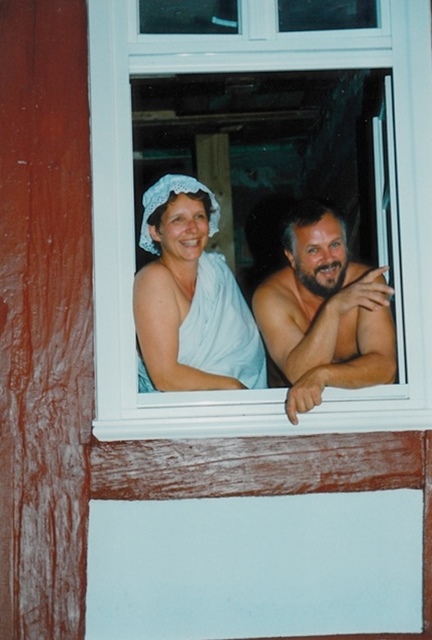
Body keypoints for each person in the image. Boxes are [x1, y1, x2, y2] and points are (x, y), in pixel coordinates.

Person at [252, 198, 397, 424]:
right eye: (313, 250)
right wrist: (333, 308)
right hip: (294, 417)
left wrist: (324, 375)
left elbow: (386, 369)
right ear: (292, 257)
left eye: (335, 245)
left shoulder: (367, 282)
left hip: (362, 409)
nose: (328, 259)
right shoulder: (271, 296)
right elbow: (300, 374)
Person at [133, 173, 267, 392]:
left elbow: (246, 351)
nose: (192, 228)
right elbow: (165, 377)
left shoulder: (216, 272)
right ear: (155, 231)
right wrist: (233, 387)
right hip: (180, 409)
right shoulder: (153, 280)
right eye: (178, 219)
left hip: (241, 403)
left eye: (199, 216)